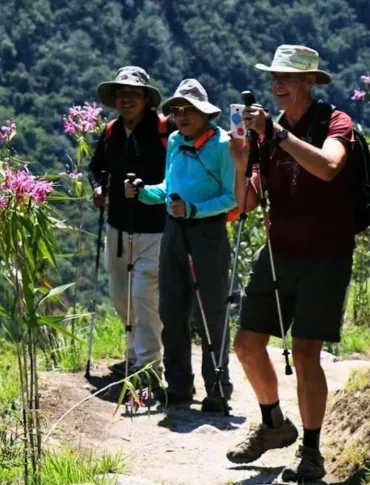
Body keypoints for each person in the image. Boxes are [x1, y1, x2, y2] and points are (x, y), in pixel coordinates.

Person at [226, 45, 355, 481]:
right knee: (245, 344)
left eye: (287, 78)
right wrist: (243, 160)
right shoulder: (270, 132)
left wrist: (276, 136)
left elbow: (329, 167)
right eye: (274, 78)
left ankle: (313, 452)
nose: (277, 85)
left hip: (326, 254)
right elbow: (247, 204)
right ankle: (274, 425)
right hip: (279, 251)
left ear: (309, 82)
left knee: (305, 352)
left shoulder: (336, 122)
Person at [125, 79, 237, 412]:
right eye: (177, 110)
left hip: (207, 234)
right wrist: (145, 192)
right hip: (174, 232)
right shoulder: (174, 140)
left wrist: (193, 210)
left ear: (205, 113)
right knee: (171, 311)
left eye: (189, 110)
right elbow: (170, 186)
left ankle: (217, 390)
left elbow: (231, 198)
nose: (181, 116)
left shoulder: (222, 145)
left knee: (210, 313)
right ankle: (178, 386)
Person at [88, 66, 174, 381]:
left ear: (146, 98)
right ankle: (134, 354)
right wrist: (98, 187)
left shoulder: (165, 130)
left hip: (155, 228)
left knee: (143, 297)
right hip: (118, 227)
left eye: (133, 94)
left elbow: (176, 172)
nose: (126, 99)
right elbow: (96, 167)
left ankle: (150, 366)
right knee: (121, 295)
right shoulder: (111, 132)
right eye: (121, 94)